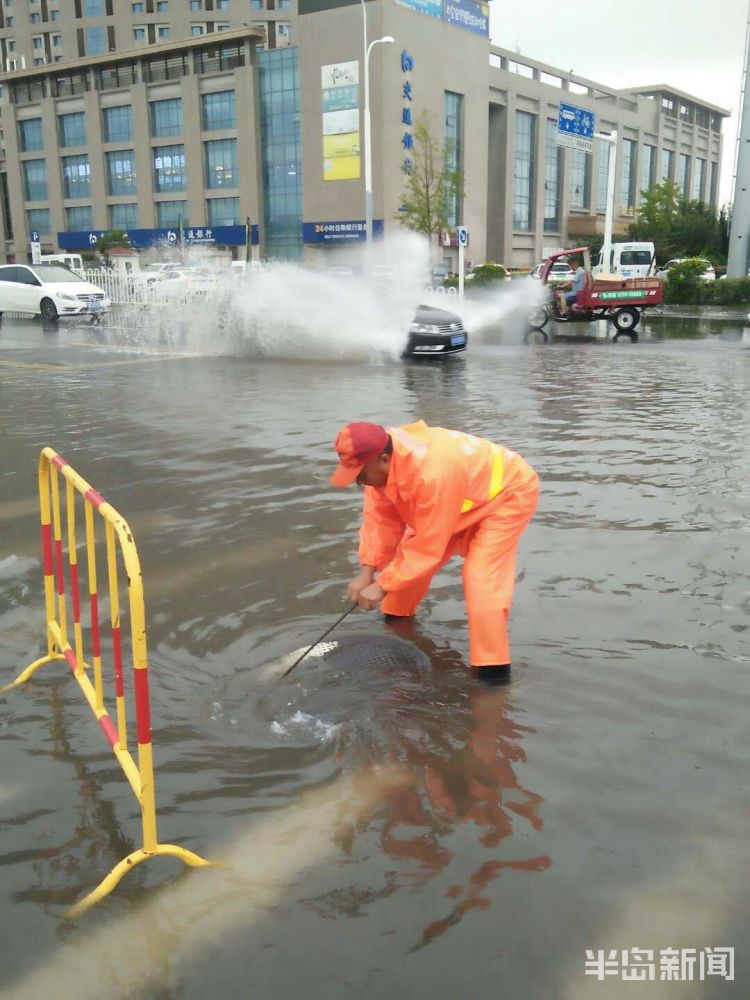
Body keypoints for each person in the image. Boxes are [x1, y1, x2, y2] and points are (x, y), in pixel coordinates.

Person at [329, 420, 539, 683]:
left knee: (480, 577)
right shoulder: (380, 466)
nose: (357, 481)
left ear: (384, 459)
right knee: (399, 580)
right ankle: (398, 626)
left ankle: (492, 674)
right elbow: (380, 523)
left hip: (506, 495)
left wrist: (381, 586)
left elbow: (428, 546)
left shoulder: (434, 471)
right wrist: (366, 573)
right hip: (456, 500)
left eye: (359, 473)